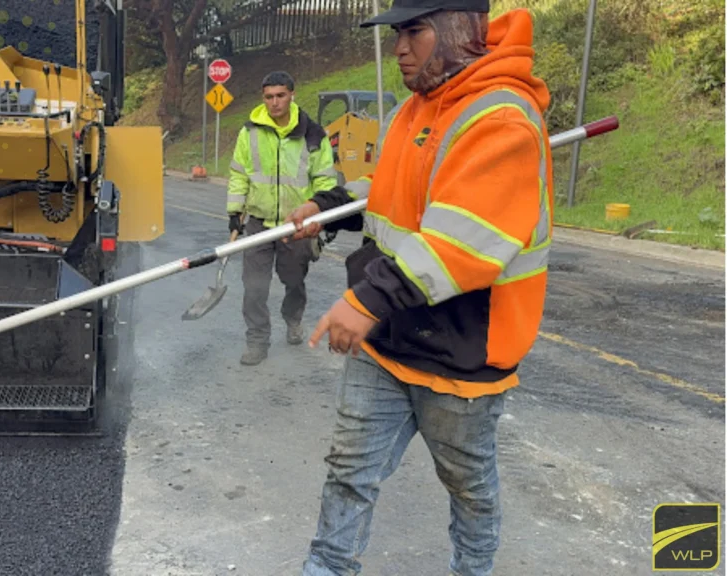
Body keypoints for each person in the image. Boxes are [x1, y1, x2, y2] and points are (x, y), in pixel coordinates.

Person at [286, 1, 554, 574]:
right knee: (348, 473)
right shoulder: (416, 109)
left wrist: (365, 300)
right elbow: (391, 193)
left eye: (414, 31)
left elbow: (461, 243)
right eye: (396, 33)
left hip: (462, 356)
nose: (400, 47)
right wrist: (330, 207)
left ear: (458, 29)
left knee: (469, 489)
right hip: (387, 344)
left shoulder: (500, 118)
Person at [227, 70, 339, 366]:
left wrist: (321, 216)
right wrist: (234, 213)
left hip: (296, 227)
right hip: (258, 224)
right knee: (254, 287)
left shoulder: (313, 134)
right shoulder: (249, 131)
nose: (274, 102)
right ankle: (257, 341)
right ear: (262, 98)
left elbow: (325, 181)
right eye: (269, 97)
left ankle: (293, 317)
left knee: (293, 280)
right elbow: (240, 174)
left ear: (292, 94)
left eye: (280, 96)